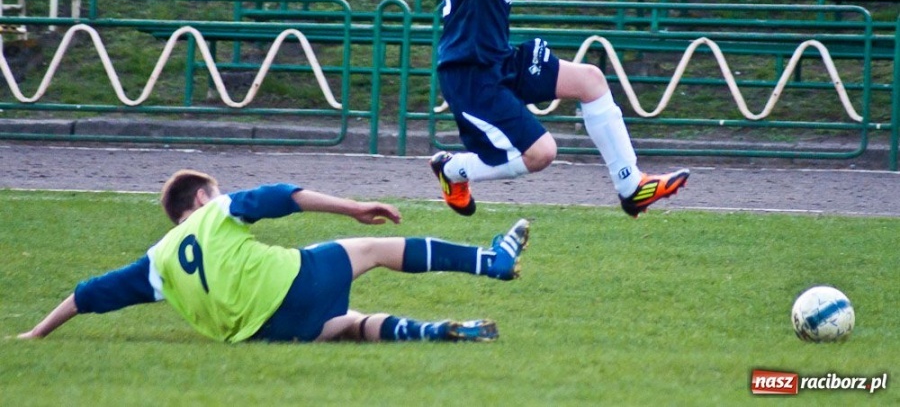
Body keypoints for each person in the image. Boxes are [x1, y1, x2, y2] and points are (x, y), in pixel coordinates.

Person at [17, 169, 530, 344]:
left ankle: (434, 331)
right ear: (200, 198)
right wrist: (354, 209)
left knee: (350, 324)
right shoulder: (217, 209)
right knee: (374, 249)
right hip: (288, 286)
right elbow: (286, 194)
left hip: (262, 332)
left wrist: (38, 332)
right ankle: (493, 262)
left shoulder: (158, 262)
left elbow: (89, 295)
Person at [430, 0, 690, 219]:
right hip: (470, 75)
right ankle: (452, 171)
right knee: (542, 154)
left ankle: (632, 187)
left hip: (499, 61)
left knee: (591, 80)